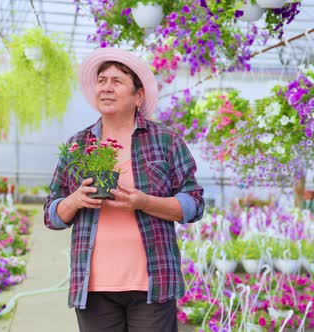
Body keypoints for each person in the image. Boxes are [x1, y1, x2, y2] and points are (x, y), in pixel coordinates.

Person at [44, 47, 205, 332]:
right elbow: (51, 215)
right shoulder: (77, 145)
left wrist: (144, 202)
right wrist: (75, 199)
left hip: (153, 283)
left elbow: (194, 204)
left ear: (138, 96)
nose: (106, 88)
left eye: (116, 81)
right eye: (102, 80)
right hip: (93, 286)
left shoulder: (166, 140)